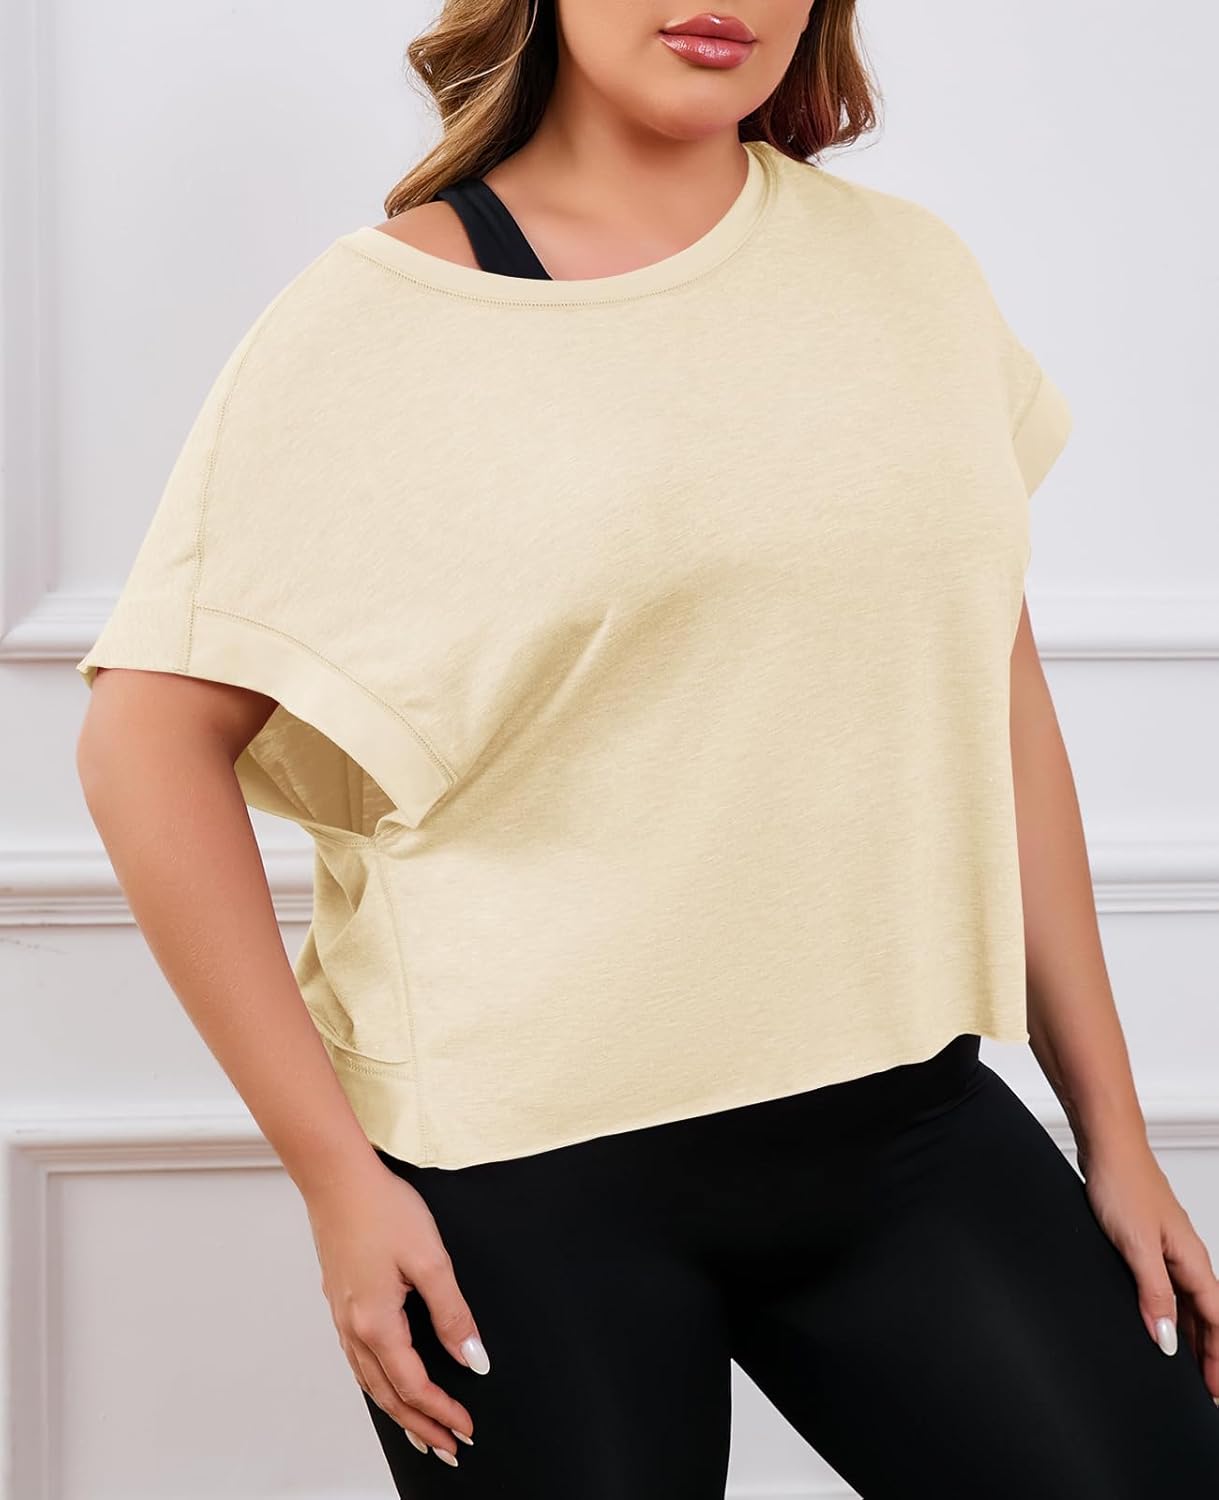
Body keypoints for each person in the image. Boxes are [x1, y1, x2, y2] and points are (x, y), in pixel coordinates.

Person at [74, 1, 1219, 1495]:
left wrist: (1114, 1133)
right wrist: (337, 1182)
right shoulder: (382, 319)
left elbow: (992, 688)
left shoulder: (907, 274)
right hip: (518, 1179)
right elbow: (145, 741)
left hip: (904, 1118)